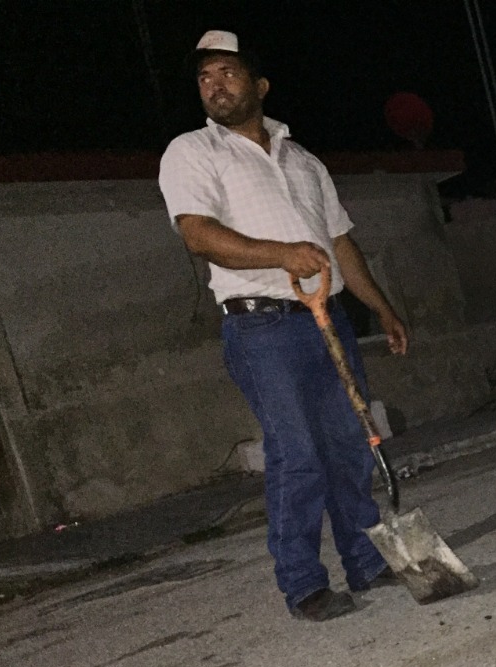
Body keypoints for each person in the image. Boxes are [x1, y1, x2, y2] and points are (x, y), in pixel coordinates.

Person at [159, 30, 410, 622]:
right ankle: (303, 584)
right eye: (205, 78)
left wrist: (381, 308)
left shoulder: (304, 161)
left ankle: (366, 560)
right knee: (297, 454)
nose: (215, 86)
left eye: (227, 73)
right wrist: (282, 254)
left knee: (349, 445)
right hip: (262, 330)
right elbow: (198, 235)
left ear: (260, 85)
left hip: (328, 319)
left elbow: (339, 243)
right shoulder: (192, 152)